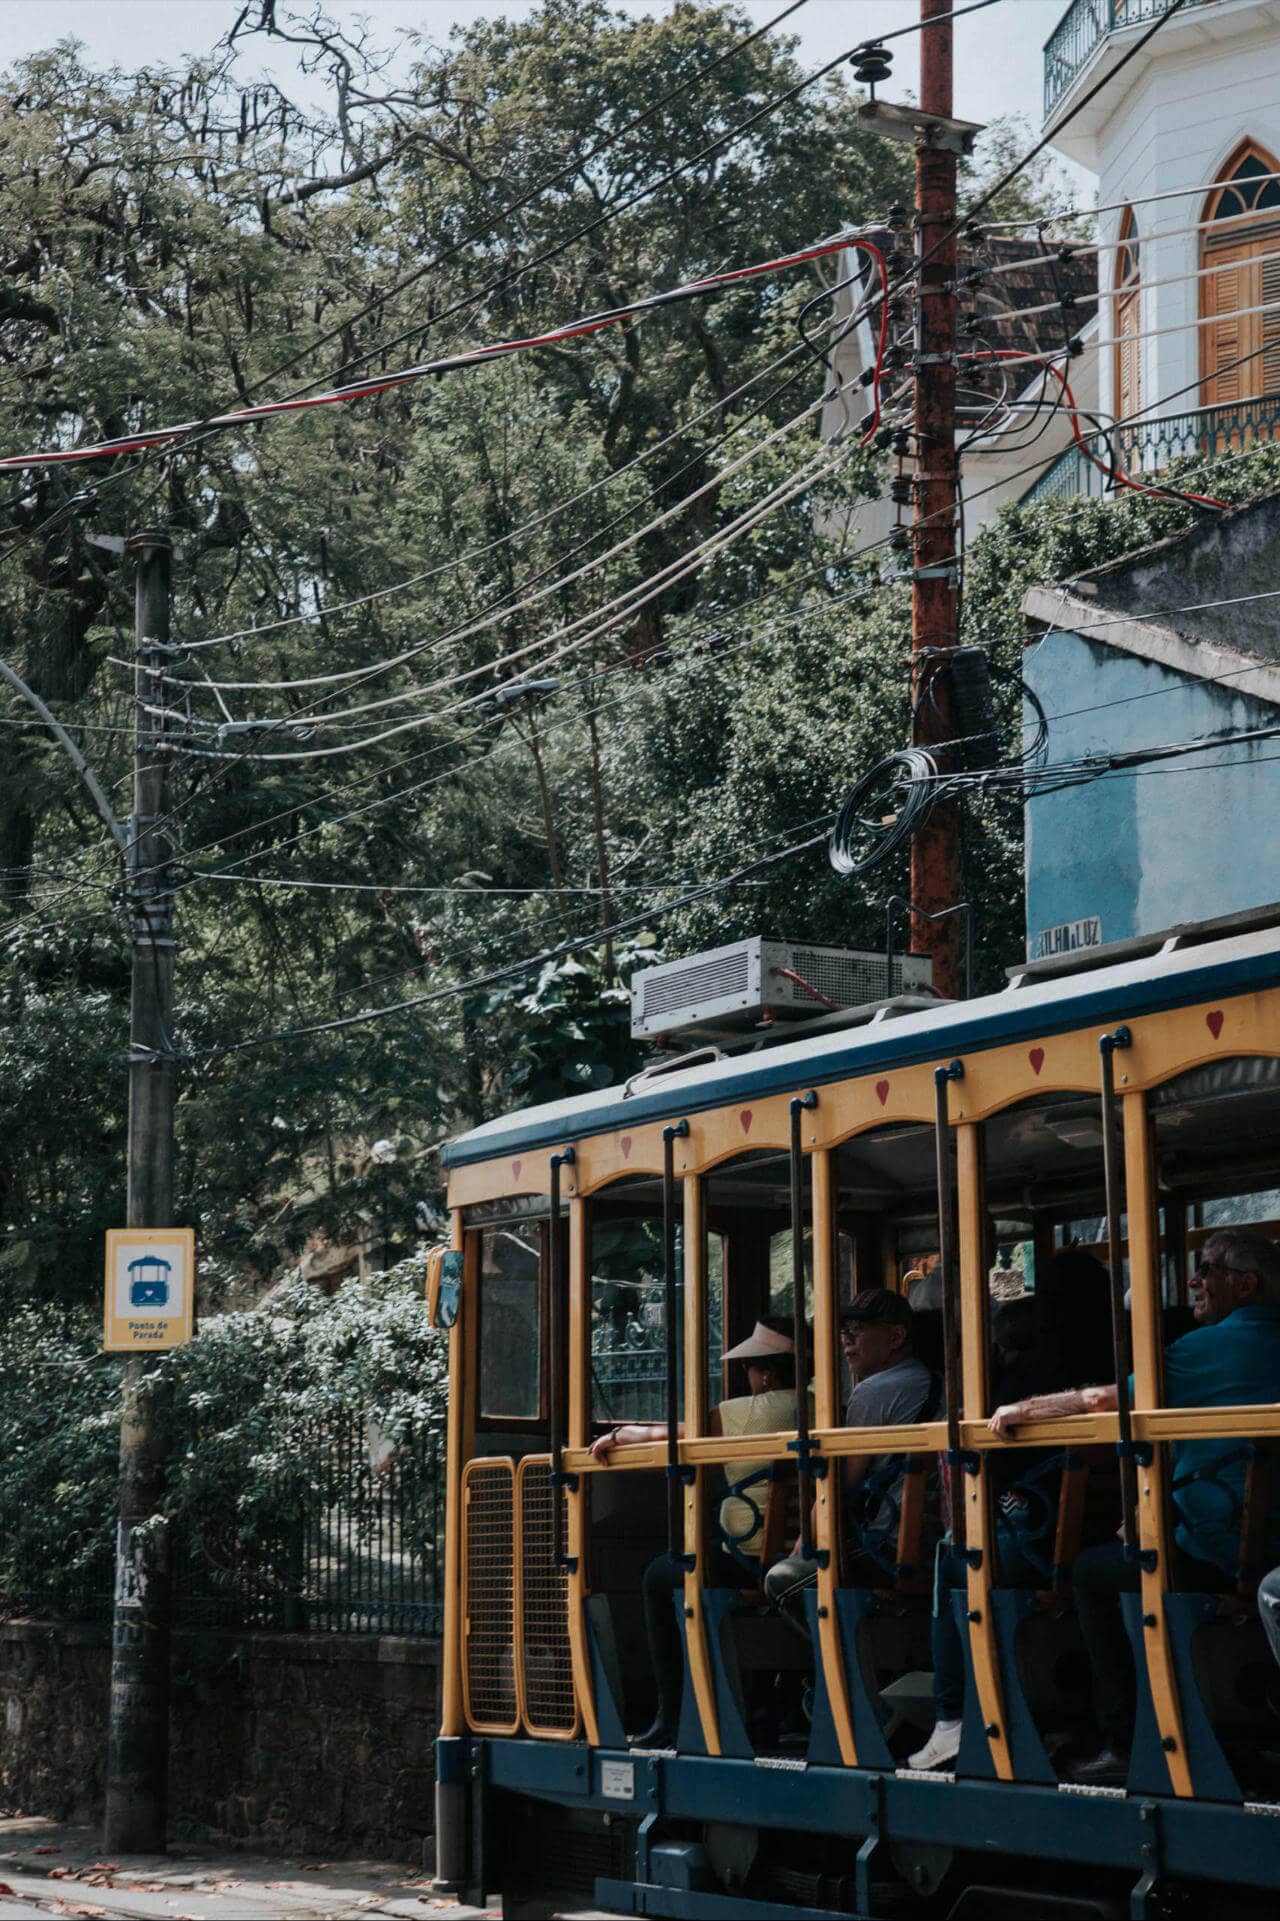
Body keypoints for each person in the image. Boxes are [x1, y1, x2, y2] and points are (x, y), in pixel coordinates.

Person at [987, 1228, 1280, 1782]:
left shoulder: (1211, 1347)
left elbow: (1103, 1400)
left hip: (1222, 1546)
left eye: (1207, 1268)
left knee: (1095, 1574)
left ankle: (1123, 1739)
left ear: (1246, 1285)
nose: (1193, 1280)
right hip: (1266, 1539)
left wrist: (1022, 1410)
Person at [908, 1252, 1116, 1771]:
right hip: (1104, 1530)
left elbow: (992, 1461)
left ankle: (953, 1718)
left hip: (1041, 1538)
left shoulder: (1035, 1368)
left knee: (951, 1557)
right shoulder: (1123, 1352)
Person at [588, 1315, 800, 1748]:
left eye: (749, 1369)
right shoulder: (822, 1401)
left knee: (661, 1574)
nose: (746, 1377)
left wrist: (622, 1433)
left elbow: (677, 1434)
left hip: (752, 1561)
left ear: (768, 1373)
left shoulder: (752, 1411)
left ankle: (671, 1713)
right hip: (797, 1555)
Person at [764, 1288, 940, 1619]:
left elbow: (841, 1484)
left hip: (887, 1550)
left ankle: (839, 1667)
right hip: (935, 1548)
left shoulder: (874, 1390)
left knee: (781, 1581)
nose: (846, 1339)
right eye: (844, 1330)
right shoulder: (934, 1381)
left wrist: (803, 1542)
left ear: (896, 1336)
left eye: (858, 1330)